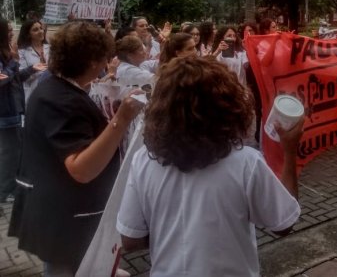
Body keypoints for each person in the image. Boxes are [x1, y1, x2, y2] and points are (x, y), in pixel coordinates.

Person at [116, 57, 302, 276]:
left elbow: (131, 239)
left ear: (161, 105)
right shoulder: (246, 162)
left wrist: (172, 230)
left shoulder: (143, 160)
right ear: (227, 105)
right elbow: (283, 224)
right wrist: (290, 152)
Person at [9, 21, 144, 275]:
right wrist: (121, 119)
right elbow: (82, 169)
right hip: (64, 221)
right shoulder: (61, 99)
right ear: (93, 61)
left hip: (62, 214)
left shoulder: (59, 89)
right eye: (105, 57)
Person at [0, 19, 45, 203]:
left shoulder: (7, 54)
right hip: (5, 113)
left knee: (15, 151)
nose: (12, 33)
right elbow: (2, 80)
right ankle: (4, 191)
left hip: (13, 110)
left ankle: (10, 186)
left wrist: (29, 69)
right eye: (9, 30)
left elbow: (14, 78)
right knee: (10, 153)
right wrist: (14, 62)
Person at [17, 19, 50, 103]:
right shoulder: (22, 52)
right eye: (35, 30)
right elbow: (20, 76)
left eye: (41, 28)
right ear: (28, 34)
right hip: (33, 93)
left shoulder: (51, 48)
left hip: (51, 91)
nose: (40, 31)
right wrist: (33, 69)